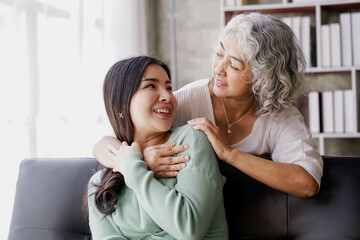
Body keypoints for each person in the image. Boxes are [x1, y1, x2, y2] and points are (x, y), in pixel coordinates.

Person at [94, 12, 323, 198]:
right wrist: (137, 162)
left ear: (264, 78)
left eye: (233, 65)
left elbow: (306, 183)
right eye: (219, 54)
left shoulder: (281, 116)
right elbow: (105, 143)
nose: (218, 69)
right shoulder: (190, 99)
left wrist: (229, 154)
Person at [87, 56, 228, 239]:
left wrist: (133, 168)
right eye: (151, 86)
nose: (168, 96)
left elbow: (189, 227)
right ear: (122, 102)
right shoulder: (100, 183)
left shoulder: (190, 140)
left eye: (169, 88)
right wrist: (134, 163)